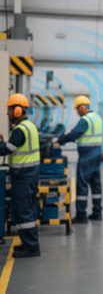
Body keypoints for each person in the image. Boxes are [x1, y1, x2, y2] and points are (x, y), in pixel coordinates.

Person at [0, 93, 41, 257]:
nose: (7, 113)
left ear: (17, 111)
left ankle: (31, 247)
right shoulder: (28, 126)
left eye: (9, 110)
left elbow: (6, 150)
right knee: (25, 210)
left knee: (24, 212)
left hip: (23, 176)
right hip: (27, 175)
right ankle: (28, 243)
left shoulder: (20, 130)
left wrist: (1, 145)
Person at [57, 95, 103, 223]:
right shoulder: (97, 118)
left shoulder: (85, 120)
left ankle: (81, 215)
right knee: (96, 183)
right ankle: (97, 212)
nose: (77, 112)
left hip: (87, 155)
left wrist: (60, 140)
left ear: (82, 107)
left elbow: (73, 135)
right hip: (97, 153)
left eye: (77, 109)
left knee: (82, 184)